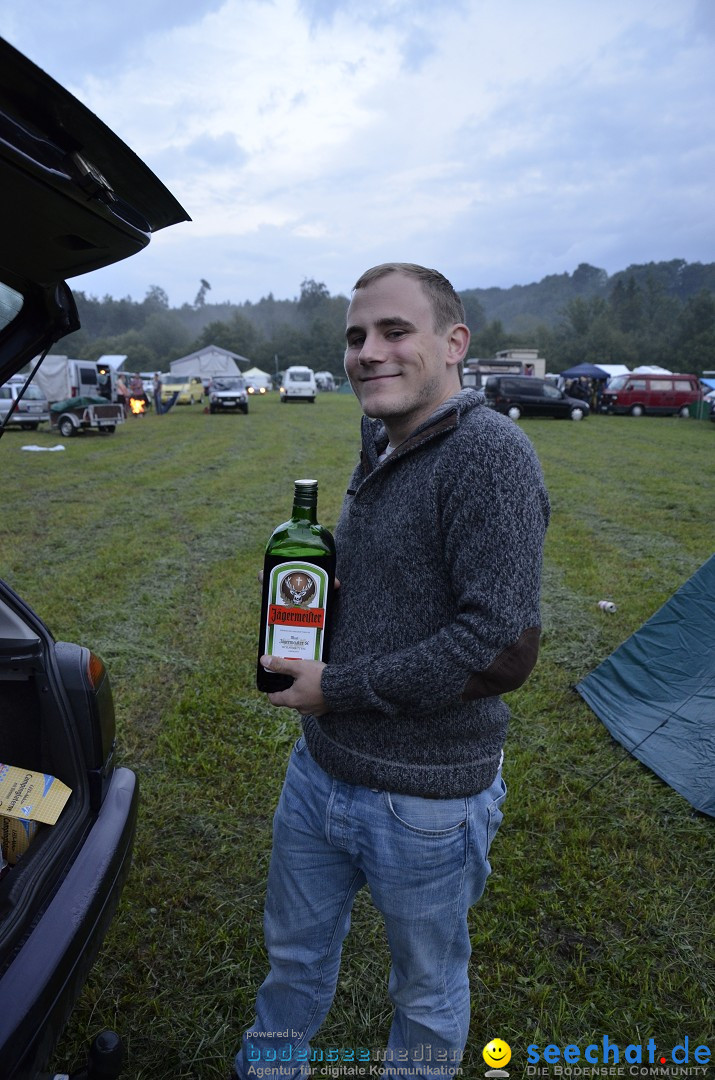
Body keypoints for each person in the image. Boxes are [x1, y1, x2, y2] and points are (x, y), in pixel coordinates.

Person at [230, 263, 550, 1080]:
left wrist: (333, 686)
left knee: (427, 991)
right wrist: (318, 601)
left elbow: (497, 644)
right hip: (321, 768)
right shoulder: (379, 436)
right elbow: (392, 578)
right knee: (293, 960)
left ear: (453, 344)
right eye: (354, 336)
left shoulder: (490, 455)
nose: (367, 352)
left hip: (426, 802)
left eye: (393, 332)